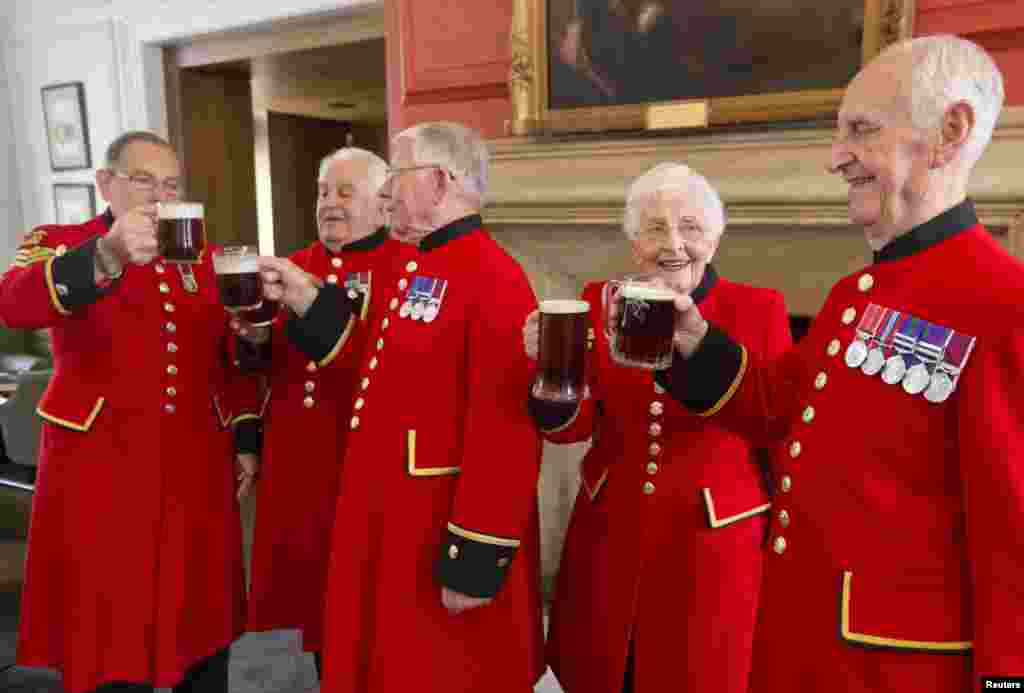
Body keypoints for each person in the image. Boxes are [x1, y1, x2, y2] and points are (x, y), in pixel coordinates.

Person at [658, 35, 1024, 689]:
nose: (836, 157)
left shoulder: (1004, 306)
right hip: (801, 647)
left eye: (860, 130)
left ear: (950, 131)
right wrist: (693, 340)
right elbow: (778, 405)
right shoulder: (854, 295)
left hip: (900, 671)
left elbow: (1016, 538)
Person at [256, 121, 545, 692]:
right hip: (389, 518)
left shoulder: (494, 277)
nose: (385, 192)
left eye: (398, 175)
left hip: (435, 526)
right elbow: (374, 363)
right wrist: (306, 297)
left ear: (440, 182)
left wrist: (475, 555)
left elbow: (505, 432)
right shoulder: (419, 265)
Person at [0, 130, 261, 693]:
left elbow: (225, 359)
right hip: (99, 471)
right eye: (144, 180)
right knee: (109, 622)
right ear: (106, 183)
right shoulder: (60, 240)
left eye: (170, 184)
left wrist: (244, 433)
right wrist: (107, 255)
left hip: (193, 474)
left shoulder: (202, 256)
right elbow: (14, 300)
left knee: (200, 620)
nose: (160, 196)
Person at [524, 163, 792, 693]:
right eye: (654, 229)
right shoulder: (600, 297)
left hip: (713, 547)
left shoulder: (758, 308)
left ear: (715, 238)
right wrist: (548, 377)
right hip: (610, 536)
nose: (673, 244)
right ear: (633, 241)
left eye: (690, 227)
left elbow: (775, 429)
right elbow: (570, 429)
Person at [234, 146, 411, 681]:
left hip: (356, 465)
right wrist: (254, 340)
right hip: (295, 467)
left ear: (384, 206)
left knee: (365, 605)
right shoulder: (295, 264)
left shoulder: (407, 271)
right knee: (307, 602)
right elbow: (252, 369)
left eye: (344, 192)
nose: (329, 204)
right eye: (322, 193)